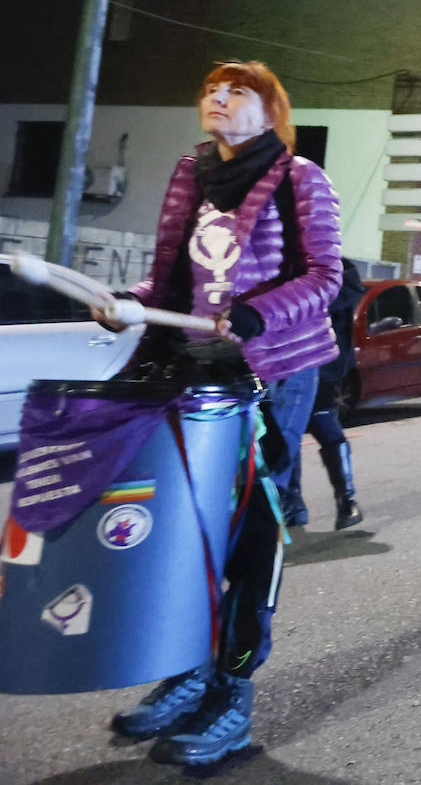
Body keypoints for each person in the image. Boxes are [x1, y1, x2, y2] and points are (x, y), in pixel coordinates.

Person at [101, 60, 343, 766]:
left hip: (272, 370)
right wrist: (129, 300)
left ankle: (232, 694)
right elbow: (173, 274)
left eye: (238, 91)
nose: (218, 98)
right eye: (211, 88)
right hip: (191, 369)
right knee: (185, 530)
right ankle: (188, 671)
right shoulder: (190, 173)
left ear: (270, 111)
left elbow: (324, 278)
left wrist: (252, 317)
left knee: (250, 535)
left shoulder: (301, 178)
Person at [284, 256, 366, 529]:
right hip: (288, 366)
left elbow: (332, 303)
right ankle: (291, 504)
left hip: (321, 368)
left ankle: (347, 499)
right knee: (286, 435)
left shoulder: (336, 273)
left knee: (324, 427)